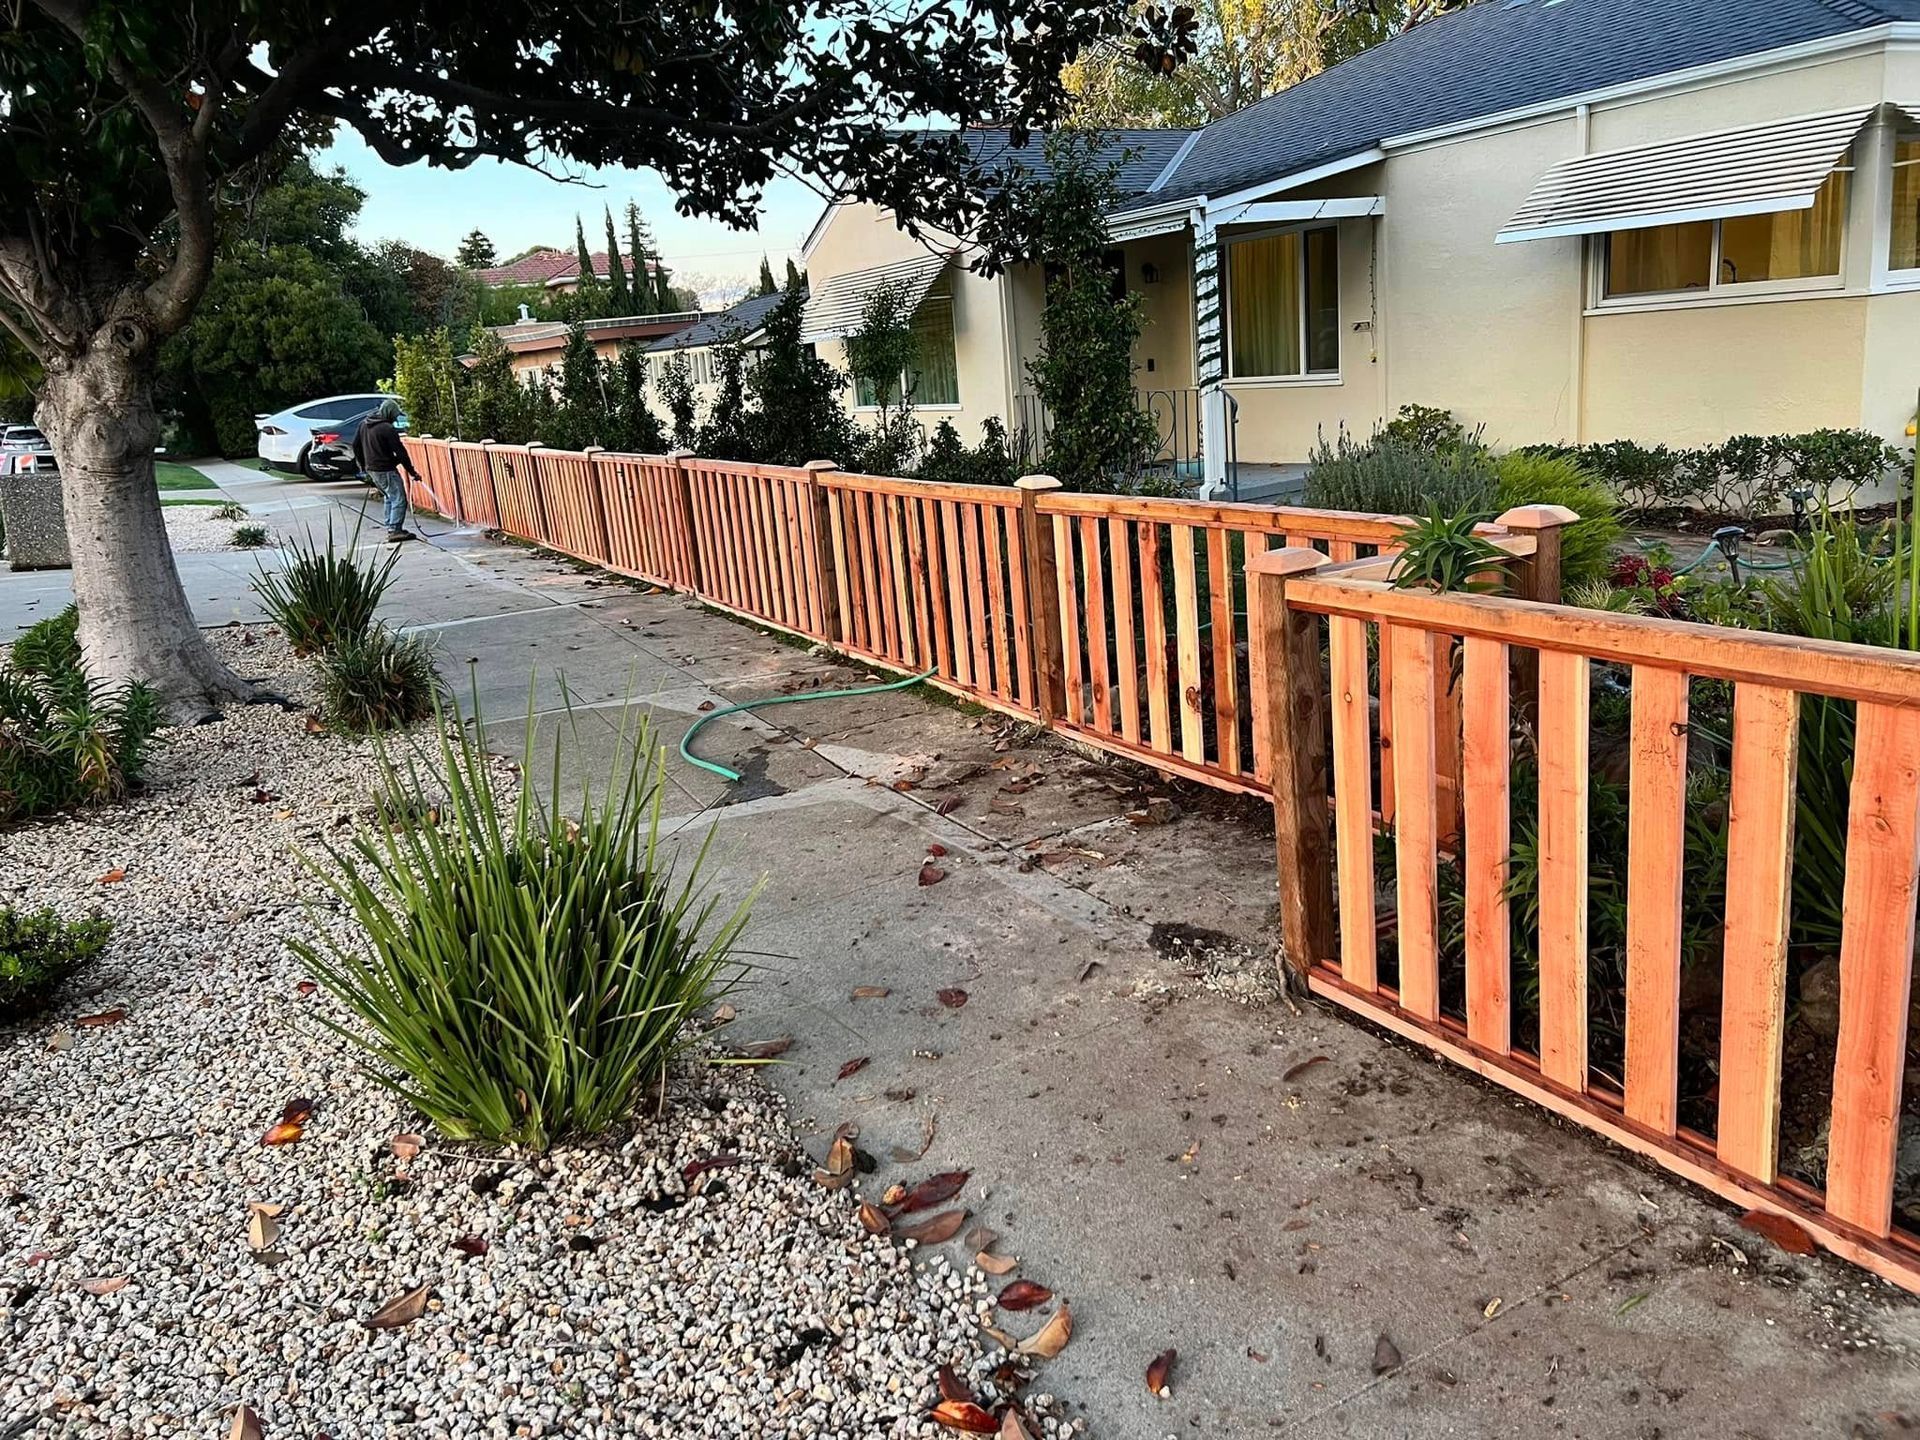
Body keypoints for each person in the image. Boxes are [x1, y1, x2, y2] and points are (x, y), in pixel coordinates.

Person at [351, 398, 422, 543]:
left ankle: (391, 526)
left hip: (372, 469)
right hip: (385, 469)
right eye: (395, 415)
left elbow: (355, 445)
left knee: (389, 496)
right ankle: (395, 530)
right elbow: (401, 453)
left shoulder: (364, 424)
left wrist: (363, 465)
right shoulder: (387, 429)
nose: (396, 418)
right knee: (398, 498)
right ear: (389, 413)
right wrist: (412, 472)